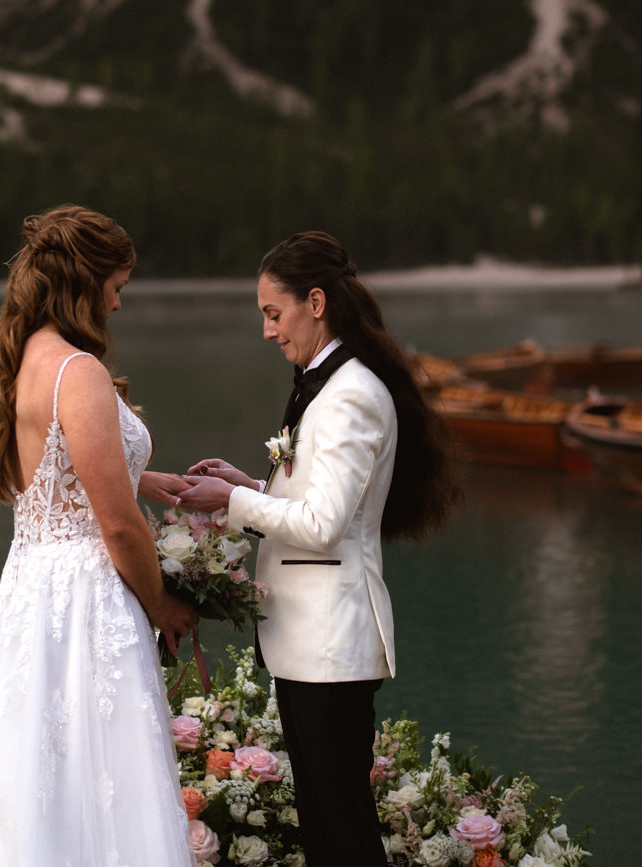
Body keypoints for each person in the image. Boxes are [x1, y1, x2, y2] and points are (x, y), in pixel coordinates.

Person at [177, 230, 460, 867]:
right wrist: (247, 484)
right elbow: (315, 501)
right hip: (307, 646)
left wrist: (229, 504)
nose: (269, 331)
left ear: (315, 301)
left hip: (330, 646)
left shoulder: (351, 394)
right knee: (326, 829)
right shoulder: (322, 385)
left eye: (274, 315)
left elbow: (324, 523)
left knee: (344, 836)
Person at [0, 204, 198, 866]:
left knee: (42, 793)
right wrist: (162, 603)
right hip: (86, 605)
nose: (118, 304)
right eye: (116, 287)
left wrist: (145, 474)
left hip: (32, 595)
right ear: (86, 283)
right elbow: (116, 524)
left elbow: (69, 472)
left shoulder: (29, 358)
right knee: (103, 792)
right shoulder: (78, 372)